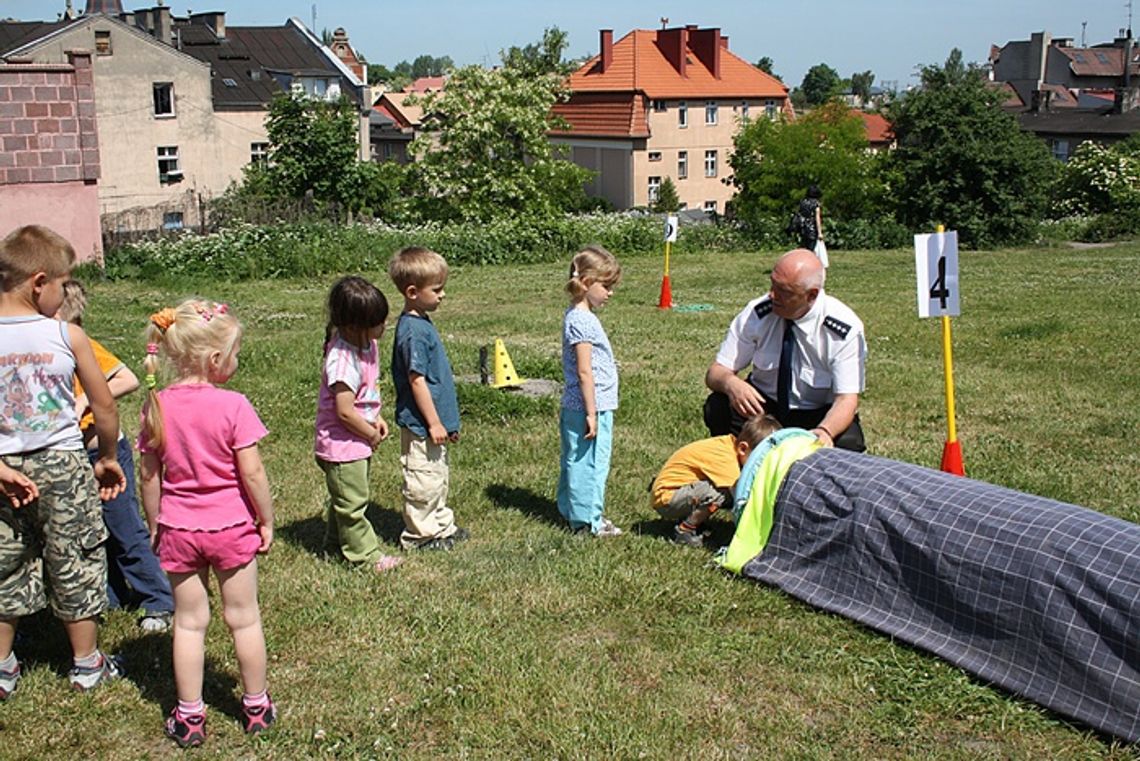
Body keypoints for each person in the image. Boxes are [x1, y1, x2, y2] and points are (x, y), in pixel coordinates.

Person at [138, 300, 276, 747]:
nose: (237, 361)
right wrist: (266, 519)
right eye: (235, 353)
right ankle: (256, 706)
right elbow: (253, 473)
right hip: (231, 527)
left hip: (178, 529)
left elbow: (149, 476)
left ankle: (190, 715)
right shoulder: (234, 405)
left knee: (189, 623)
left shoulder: (156, 406)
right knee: (244, 619)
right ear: (216, 359)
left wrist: (155, 525)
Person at [0, 225, 126, 701]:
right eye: (63, 282)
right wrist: (108, 456)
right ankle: (87, 664)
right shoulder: (65, 334)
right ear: (39, 283)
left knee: (5, 559)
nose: (64, 292)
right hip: (63, 464)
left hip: (5, 468)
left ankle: (3, 667)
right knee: (75, 555)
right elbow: (104, 404)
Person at [57, 280, 175, 631]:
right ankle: (113, 595)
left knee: (124, 527)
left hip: (104, 454)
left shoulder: (77, 343)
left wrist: (85, 400)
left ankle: (158, 598)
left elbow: (126, 379)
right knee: (92, 529)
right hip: (73, 456)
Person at [704, 248, 866, 451]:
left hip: (816, 413)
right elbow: (716, 372)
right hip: (763, 408)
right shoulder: (757, 313)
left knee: (849, 441)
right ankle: (734, 466)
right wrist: (731, 384)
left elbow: (846, 399)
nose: (772, 295)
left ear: (811, 295)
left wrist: (825, 432)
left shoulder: (843, 329)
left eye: (784, 291)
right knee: (718, 406)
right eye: (773, 284)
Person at [314, 276, 404, 573]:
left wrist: (375, 417)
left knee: (345, 495)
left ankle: (334, 545)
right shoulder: (342, 361)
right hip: (341, 444)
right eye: (378, 323)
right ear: (354, 326)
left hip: (354, 439)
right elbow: (344, 411)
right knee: (353, 503)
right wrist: (369, 433)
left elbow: (366, 393)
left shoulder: (366, 344)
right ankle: (365, 557)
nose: (384, 326)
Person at [388, 247, 468, 551]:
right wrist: (434, 422)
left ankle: (441, 527)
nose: (442, 294)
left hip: (434, 422)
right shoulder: (412, 331)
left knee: (437, 477)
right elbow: (416, 380)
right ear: (412, 292)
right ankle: (421, 536)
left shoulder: (421, 322)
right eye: (436, 289)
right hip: (421, 424)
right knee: (422, 481)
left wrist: (447, 422)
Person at [558, 246, 623, 537]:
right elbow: (585, 371)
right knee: (591, 463)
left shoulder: (577, 315)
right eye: (606, 286)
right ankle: (588, 521)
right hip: (589, 407)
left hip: (582, 405)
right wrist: (592, 413)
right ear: (586, 283)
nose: (610, 293)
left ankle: (571, 509)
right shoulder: (582, 321)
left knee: (576, 459)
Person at [651, 414, 781, 547]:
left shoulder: (729, 446)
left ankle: (693, 520)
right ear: (743, 449)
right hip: (667, 499)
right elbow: (741, 498)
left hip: (676, 491)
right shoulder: (727, 460)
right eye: (759, 461)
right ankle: (685, 530)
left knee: (723, 491)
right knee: (722, 493)